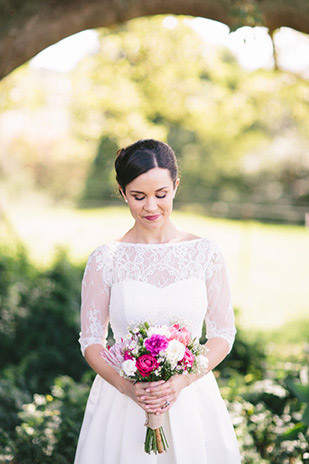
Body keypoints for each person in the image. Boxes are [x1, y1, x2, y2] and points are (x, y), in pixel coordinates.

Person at [74, 139, 241, 464]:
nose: (151, 207)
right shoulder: (106, 259)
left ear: (175, 186)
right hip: (123, 403)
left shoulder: (205, 253)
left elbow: (223, 333)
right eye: (138, 197)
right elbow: (91, 341)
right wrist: (127, 387)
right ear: (122, 192)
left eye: (160, 195)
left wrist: (183, 380)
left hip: (192, 400)